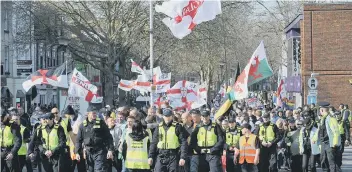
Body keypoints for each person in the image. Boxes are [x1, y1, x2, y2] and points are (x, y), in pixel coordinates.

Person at [75, 105, 114, 172]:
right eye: (93, 113)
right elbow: (78, 140)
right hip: (88, 152)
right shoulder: (82, 125)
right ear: (88, 114)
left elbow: (109, 137)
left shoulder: (101, 123)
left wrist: (110, 149)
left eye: (96, 112)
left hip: (100, 151)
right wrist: (77, 152)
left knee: (99, 170)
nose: (95, 114)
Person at [318, 102, 341, 172]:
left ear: (322, 110)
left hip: (330, 144)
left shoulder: (331, 119)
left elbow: (336, 132)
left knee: (332, 163)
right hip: (323, 143)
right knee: (323, 162)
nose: (319, 111)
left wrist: (335, 144)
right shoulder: (322, 119)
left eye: (320, 110)